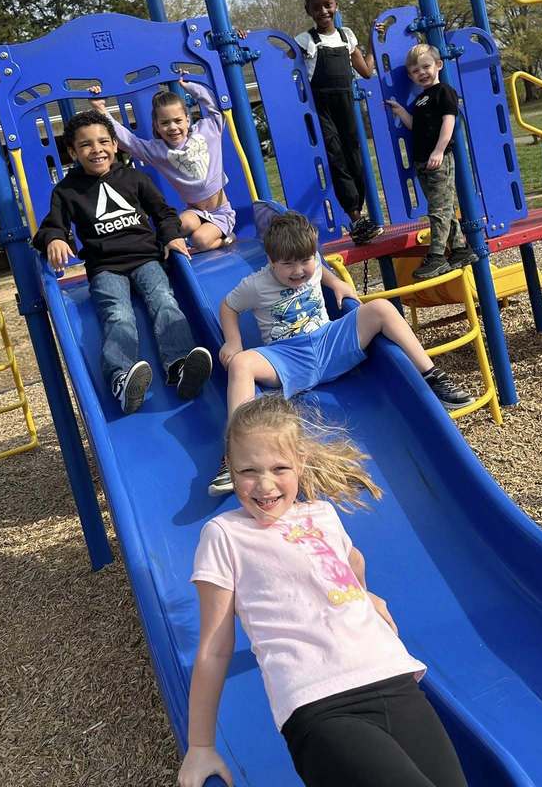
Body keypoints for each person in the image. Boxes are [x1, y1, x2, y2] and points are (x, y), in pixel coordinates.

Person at [176, 394, 469, 787]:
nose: (264, 485)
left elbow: (352, 563)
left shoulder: (322, 515)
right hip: (319, 704)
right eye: (248, 470)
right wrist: (200, 746)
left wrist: (363, 594)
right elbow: (214, 645)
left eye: (279, 468)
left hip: (392, 678)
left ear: (300, 463)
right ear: (229, 466)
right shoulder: (224, 534)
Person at [207, 210, 473, 495]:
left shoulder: (313, 263)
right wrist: (233, 342)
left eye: (305, 261)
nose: (299, 271)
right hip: (288, 357)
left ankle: (432, 379)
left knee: (381, 307)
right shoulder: (256, 285)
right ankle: (236, 452)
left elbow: (320, 268)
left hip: (329, 343)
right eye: (287, 265)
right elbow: (228, 306)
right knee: (241, 364)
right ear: (271, 262)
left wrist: (336, 283)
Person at [33, 110, 212, 413]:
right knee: (118, 314)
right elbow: (53, 224)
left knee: (164, 301)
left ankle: (180, 366)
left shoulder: (133, 178)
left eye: (104, 141)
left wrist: (170, 235)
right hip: (105, 267)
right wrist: (55, 239)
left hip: (146, 258)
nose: (97, 149)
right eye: (86, 145)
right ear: (73, 152)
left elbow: (163, 212)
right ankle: (120, 379)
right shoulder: (67, 191)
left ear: (115, 145)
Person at [294, 0, 383, 246]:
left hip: (347, 106)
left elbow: (366, 71)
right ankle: (355, 216)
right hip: (322, 108)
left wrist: (372, 39)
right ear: (308, 9)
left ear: (336, 4)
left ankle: (362, 215)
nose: (323, 11)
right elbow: (280, 67)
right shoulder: (305, 41)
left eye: (327, 5)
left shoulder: (347, 37)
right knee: (337, 158)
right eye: (316, 7)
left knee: (355, 156)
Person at [89, 78, 235, 253]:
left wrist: (190, 86)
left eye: (178, 120)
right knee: (177, 227)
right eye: (165, 123)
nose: (172, 127)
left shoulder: (207, 131)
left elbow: (214, 108)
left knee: (200, 240)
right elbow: (128, 141)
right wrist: (101, 109)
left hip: (221, 211)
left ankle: (226, 239)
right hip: (196, 212)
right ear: (157, 127)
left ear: (187, 120)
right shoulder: (158, 151)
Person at [387, 45, 477, 281]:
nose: (422, 73)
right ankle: (460, 250)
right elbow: (414, 126)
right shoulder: (420, 100)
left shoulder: (444, 92)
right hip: (422, 162)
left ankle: (437, 257)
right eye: (416, 71)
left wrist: (439, 150)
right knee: (443, 208)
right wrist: (400, 111)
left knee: (437, 210)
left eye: (426, 66)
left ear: (438, 65)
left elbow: (449, 124)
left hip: (439, 159)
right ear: (410, 76)